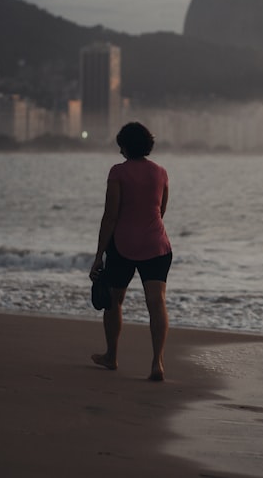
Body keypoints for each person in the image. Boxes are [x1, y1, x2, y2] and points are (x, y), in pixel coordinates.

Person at [89, 122, 173, 381]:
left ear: (125, 146)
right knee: (156, 302)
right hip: (156, 244)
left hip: (123, 245)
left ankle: (111, 356)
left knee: (114, 301)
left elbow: (110, 216)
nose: (119, 152)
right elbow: (161, 210)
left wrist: (98, 255)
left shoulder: (118, 173)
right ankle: (157, 362)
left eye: (120, 146)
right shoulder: (160, 172)